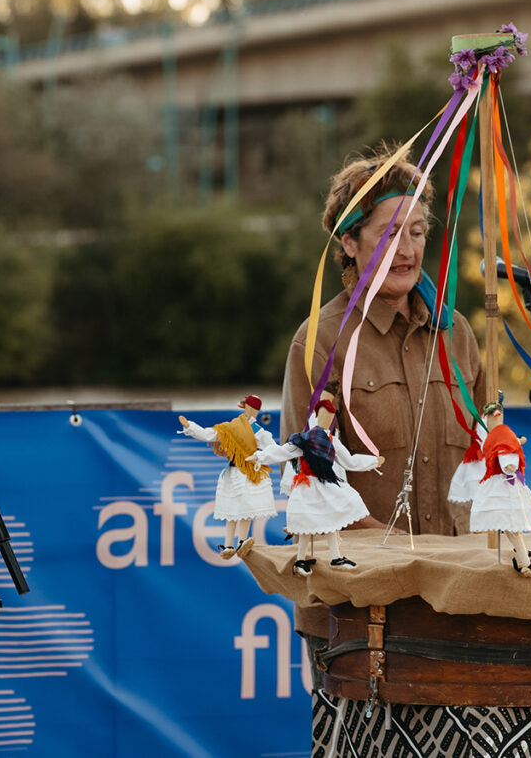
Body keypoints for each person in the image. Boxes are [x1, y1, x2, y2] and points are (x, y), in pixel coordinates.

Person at [280, 145, 486, 658]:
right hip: (355, 611)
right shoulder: (319, 342)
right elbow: (311, 488)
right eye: (390, 233)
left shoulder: (456, 333)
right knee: (360, 742)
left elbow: (484, 467)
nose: (408, 249)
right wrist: (407, 557)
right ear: (349, 241)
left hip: (458, 598)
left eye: (417, 232)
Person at [251, 394, 383, 575]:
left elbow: (349, 462)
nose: (326, 420)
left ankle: (336, 557)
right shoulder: (304, 439)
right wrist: (259, 456)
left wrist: (373, 462)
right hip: (306, 485)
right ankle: (300, 560)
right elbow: (283, 452)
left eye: (330, 416)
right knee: (305, 525)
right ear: (316, 415)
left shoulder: (332, 441)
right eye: (323, 415)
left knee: (331, 521)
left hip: (325, 484)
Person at [178, 394, 278, 558]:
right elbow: (209, 434)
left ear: (252, 409)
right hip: (234, 471)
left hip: (248, 472)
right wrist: (190, 427)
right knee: (233, 508)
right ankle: (228, 545)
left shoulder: (259, 432)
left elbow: (273, 450)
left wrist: (259, 457)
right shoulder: (231, 427)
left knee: (247, 507)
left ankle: (241, 542)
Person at [469, 401, 531, 577]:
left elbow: (504, 447)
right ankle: (525, 562)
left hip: (502, 483)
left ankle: (525, 561)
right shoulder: (500, 434)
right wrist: (510, 463)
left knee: (512, 527)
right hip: (504, 483)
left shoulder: (498, 435)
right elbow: (505, 452)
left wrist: (516, 444)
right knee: (511, 526)